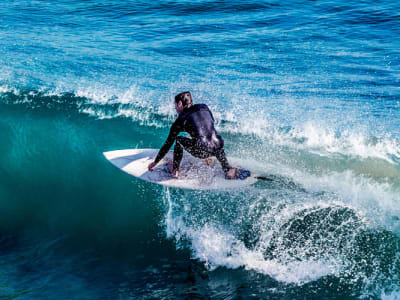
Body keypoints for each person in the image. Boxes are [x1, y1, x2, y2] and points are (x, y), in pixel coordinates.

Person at [148, 91, 238, 179]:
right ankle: (227, 168)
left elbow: (168, 144)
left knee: (179, 140)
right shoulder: (204, 107)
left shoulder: (181, 119)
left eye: (175, 105)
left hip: (202, 150)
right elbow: (208, 125)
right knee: (210, 138)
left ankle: (175, 171)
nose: (175, 109)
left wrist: (155, 162)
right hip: (218, 145)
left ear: (180, 104)